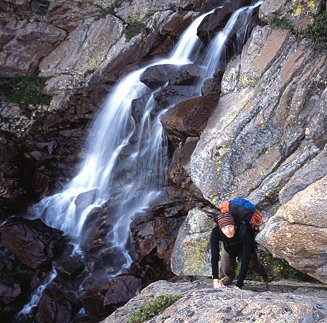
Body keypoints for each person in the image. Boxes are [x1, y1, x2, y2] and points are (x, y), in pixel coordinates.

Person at [211, 211, 268, 289]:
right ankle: (230, 277)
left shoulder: (245, 230)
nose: (228, 231)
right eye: (224, 228)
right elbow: (214, 255)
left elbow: (245, 258)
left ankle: (264, 276)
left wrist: (239, 284)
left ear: (235, 225)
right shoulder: (216, 232)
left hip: (245, 248)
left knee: (254, 265)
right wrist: (215, 280)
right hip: (229, 248)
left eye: (230, 226)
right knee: (225, 268)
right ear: (220, 228)